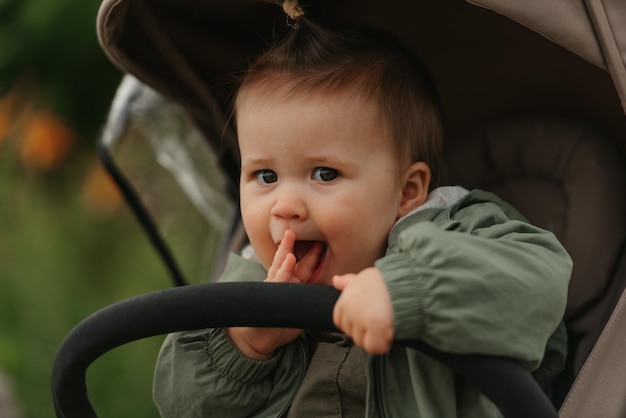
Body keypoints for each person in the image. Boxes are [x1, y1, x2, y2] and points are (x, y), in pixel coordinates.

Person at [153, 2, 572, 417]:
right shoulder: (245, 290)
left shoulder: (460, 234)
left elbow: (539, 283)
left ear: (407, 191)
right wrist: (244, 345)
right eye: (265, 177)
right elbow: (180, 404)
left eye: (324, 174)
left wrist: (410, 289)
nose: (286, 206)